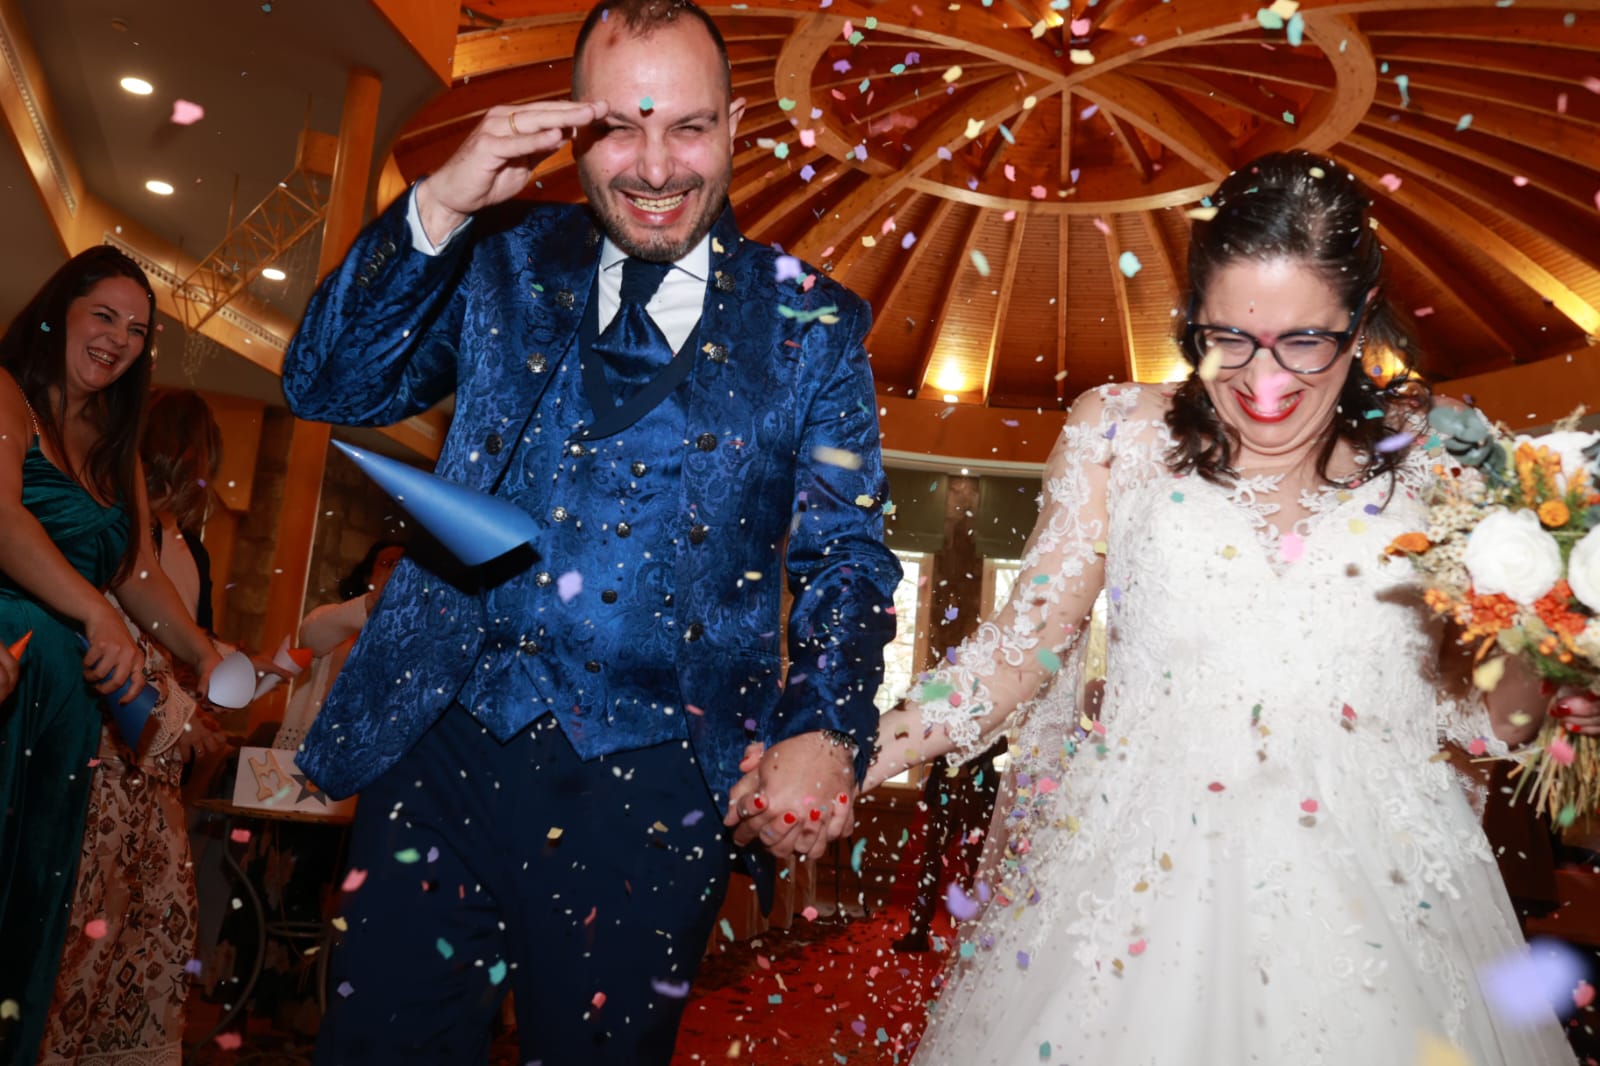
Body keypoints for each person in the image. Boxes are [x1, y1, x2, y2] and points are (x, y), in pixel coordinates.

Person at [732, 151, 1592, 1064]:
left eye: (1306, 342)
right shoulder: (1119, 435)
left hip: (1389, 905)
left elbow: (1490, 715)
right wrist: (851, 756)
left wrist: (1561, 676)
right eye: (1230, 339)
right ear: (1192, 319)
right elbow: (1019, 655)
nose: (1264, 384)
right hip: (1142, 896)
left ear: (1361, 321)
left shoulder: (1440, 471)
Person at [278, 0, 901, 1060]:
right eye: (620, 126)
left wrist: (824, 724)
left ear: (736, 124)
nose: (655, 167)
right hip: (440, 746)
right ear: (572, 128)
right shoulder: (500, 257)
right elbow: (327, 379)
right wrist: (436, 204)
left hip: (654, 788)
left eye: (689, 128)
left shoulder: (814, 324)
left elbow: (848, 554)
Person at [0, 248, 224, 1065]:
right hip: (7, 683)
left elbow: (133, 567)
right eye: (105, 316)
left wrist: (203, 650)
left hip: (65, 713)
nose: (120, 340)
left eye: (137, 330)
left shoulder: (110, 437)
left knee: (35, 919)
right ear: (60, 308)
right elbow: (4, 520)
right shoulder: (7, 395)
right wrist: (95, 613)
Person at [39, 388, 229, 1066]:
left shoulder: (188, 546)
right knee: (89, 922)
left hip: (154, 747)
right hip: (113, 737)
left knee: (141, 927)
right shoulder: (113, 515)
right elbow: (119, 630)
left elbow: (179, 637)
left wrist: (211, 673)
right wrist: (179, 712)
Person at [272, 540, 403, 754]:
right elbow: (311, 638)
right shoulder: (335, 615)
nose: (395, 572)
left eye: (402, 566)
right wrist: (373, 600)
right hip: (314, 744)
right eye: (388, 563)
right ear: (367, 576)